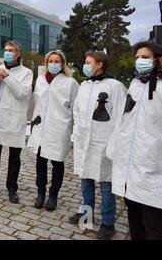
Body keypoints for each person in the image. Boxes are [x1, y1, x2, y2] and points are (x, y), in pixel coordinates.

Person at [107, 41, 162, 240]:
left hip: (154, 169)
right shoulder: (135, 84)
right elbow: (125, 119)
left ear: (158, 60)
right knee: (135, 223)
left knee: (153, 226)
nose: (140, 61)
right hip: (130, 169)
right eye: (137, 57)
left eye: (145, 57)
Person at [69, 50, 126, 240]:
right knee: (86, 181)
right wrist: (76, 132)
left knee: (106, 183)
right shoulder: (84, 85)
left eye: (88, 62)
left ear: (99, 64)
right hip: (84, 141)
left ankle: (108, 222)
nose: (85, 65)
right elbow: (76, 111)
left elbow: (120, 116)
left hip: (104, 143)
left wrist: (114, 143)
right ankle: (87, 214)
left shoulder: (115, 86)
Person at [0, 41, 33, 204]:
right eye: (5, 50)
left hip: (14, 120)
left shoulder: (27, 72)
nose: (7, 53)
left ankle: (12, 188)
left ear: (18, 53)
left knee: (14, 158)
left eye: (10, 50)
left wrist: (7, 77)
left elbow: (22, 93)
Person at [27, 50, 79, 211]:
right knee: (40, 162)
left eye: (57, 61)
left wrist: (73, 127)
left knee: (57, 162)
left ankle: (53, 195)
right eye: (51, 61)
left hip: (59, 128)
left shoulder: (70, 83)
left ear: (63, 64)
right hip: (41, 127)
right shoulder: (41, 80)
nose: (54, 64)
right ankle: (40, 193)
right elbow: (37, 101)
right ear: (46, 63)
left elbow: (76, 107)